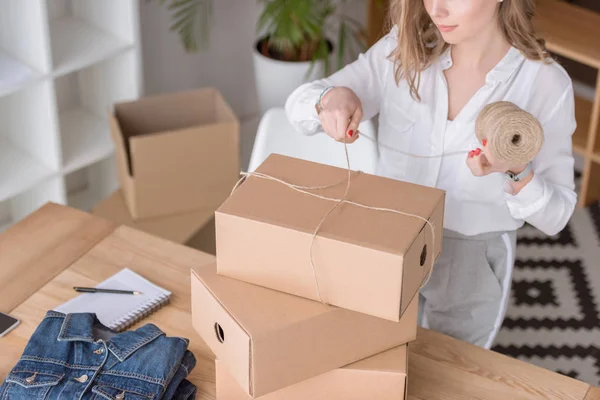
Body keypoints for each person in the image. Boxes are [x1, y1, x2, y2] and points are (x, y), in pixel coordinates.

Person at [284, 0, 577, 349]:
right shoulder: (401, 50)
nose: (436, 10)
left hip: (471, 260)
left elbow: (557, 215)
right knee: (372, 356)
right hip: (387, 241)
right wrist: (330, 99)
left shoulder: (544, 84)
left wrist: (516, 171)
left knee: (448, 371)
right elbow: (299, 104)